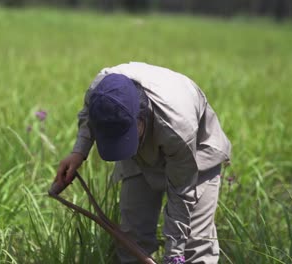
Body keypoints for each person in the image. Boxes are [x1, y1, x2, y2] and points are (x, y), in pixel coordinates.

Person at [55, 62, 231, 264]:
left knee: (194, 245)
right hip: (141, 155)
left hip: (196, 155)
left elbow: (181, 194)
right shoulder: (101, 91)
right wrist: (79, 152)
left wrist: (174, 256)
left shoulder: (178, 126)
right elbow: (88, 115)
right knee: (133, 240)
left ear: (141, 118)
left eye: (125, 138)